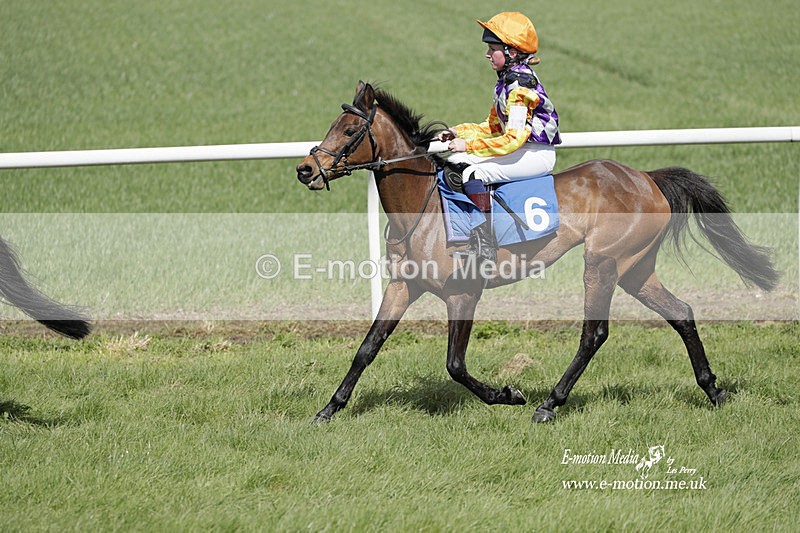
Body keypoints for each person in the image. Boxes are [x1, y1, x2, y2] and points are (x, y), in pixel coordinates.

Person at [439, 12, 561, 265]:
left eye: (493, 49)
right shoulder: (506, 81)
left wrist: (469, 145)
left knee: (472, 173)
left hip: (535, 154)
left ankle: (484, 247)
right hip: (524, 149)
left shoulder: (519, 86)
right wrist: (458, 132)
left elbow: (512, 140)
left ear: (512, 52)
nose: (487, 54)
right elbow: (493, 127)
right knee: (456, 159)